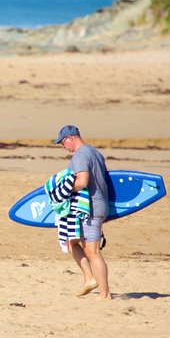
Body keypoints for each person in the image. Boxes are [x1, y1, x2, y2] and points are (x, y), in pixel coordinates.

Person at [52, 124, 111, 300]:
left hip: (90, 208)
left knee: (93, 251)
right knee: (70, 242)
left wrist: (64, 190)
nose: (64, 148)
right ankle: (89, 278)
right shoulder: (95, 153)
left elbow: (83, 182)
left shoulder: (81, 155)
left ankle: (105, 294)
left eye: (63, 143)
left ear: (70, 138)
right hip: (98, 206)